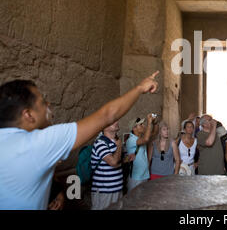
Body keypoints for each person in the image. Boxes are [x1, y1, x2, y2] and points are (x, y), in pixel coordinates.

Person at [0, 72, 159, 210]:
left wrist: (57, 192)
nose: (48, 105)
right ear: (28, 115)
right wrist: (140, 88)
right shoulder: (38, 143)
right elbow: (107, 115)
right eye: (42, 102)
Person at [90, 121, 123, 210]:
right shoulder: (100, 143)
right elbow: (113, 162)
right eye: (112, 121)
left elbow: (118, 162)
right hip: (104, 191)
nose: (116, 122)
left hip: (117, 188)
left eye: (116, 120)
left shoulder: (115, 141)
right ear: (103, 126)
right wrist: (119, 146)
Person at [125, 114, 158, 192]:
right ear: (134, 128)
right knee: (134, 202)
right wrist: (149, 122)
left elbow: (155, 132)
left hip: (144, 176)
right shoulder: (131, 140)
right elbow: (146, 139)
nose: (143, 125)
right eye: (140, 124)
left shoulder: (140, 137)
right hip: (136, 178)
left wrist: (155, 122)